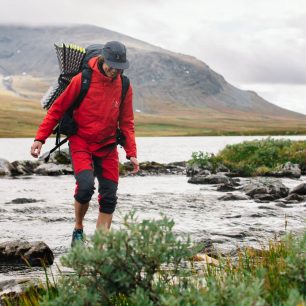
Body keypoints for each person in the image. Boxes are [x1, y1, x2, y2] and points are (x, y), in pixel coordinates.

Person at [30, 41, 139, 246]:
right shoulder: (82, 80)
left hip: (107, 146)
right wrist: (39, 138)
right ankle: (78, 228)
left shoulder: (124, 85)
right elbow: (57, 110)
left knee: (109, 197)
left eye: (119, 68)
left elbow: (126, 121)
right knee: (85, 188)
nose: (114, 71)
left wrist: (131, 152)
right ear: (103, 60)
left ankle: (98, 251)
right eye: (111, 66)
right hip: (81, 141)